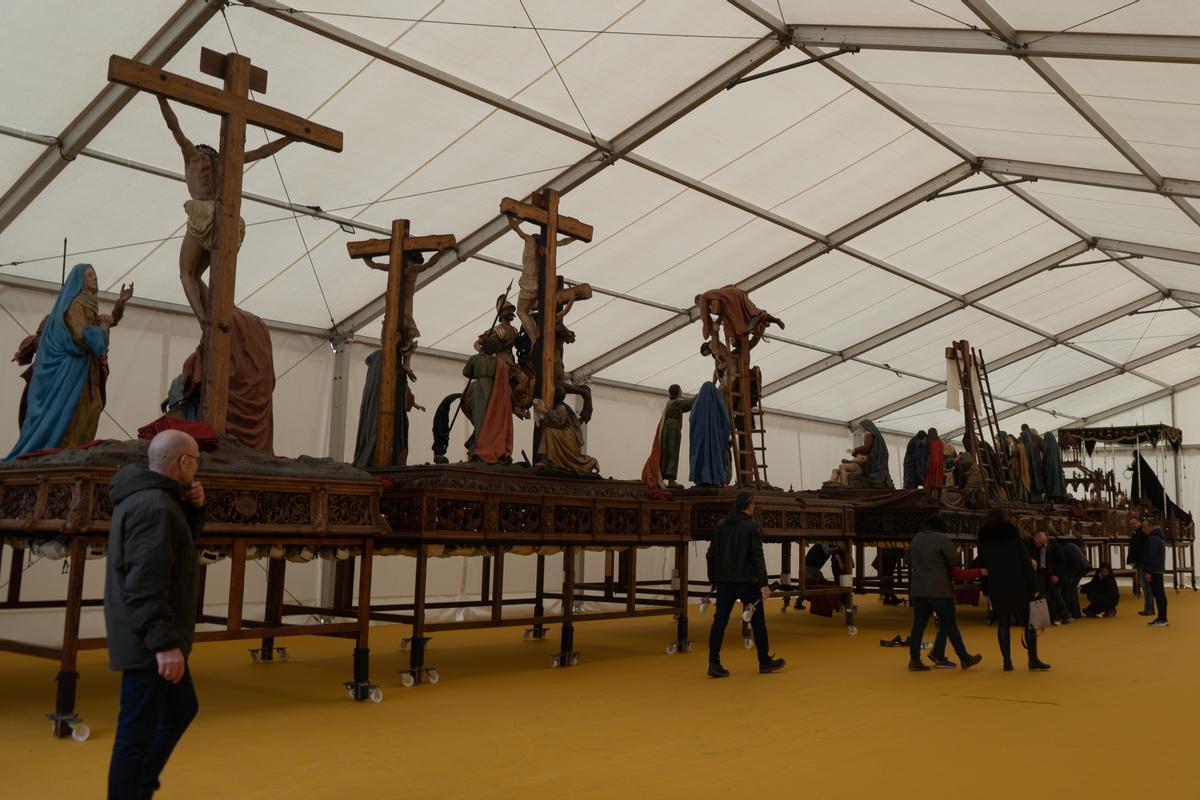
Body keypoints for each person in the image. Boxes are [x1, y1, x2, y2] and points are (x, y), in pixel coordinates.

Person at [105, 429, 206, 798]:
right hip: (148, 640)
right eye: (195, 460)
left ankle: (140, 785)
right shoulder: (156, 508)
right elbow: (145, 583)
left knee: (181, 709)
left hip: (150, 632)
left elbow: (176, 550)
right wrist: (164, 644)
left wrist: (195, 509)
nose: (197, 468)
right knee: (135, 732)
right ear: (182, 462)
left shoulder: (150, 498)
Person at [159, 98, 292, 326]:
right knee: (202, 276)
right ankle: (217, 312)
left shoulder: (193, 156)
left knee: (186, 274)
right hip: (225, 217)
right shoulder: (225, 162)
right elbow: (262, 152)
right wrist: (291, 138)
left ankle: (203, 319)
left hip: (203, 213)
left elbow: (174, 126)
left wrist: (160, 97)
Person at [5, 264, 132, 460]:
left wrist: (120, 304)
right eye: (90, 275)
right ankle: (63, 455)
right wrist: (103, 329)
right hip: (68, 372)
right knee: (66, 413)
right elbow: (83, 337)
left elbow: (102, 322)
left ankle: (70, 453)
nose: (94, 278)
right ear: (79, 281)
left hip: (80, 370)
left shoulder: (86, 304)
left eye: (95, 275)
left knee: (88, 408)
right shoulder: (77, 305)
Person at [705, 492, 784, 677]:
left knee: (719, 623)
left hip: (724, 581)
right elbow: (757, 557)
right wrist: (764, 584)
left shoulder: (721, 525)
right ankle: (764, 661)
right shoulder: (752, 526)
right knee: (758, 622)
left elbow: (711, 554)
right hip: (748, 582)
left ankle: (713, 663)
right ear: (750, 506)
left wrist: (714, 579)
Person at [904, 513, 983, 671]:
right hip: (939, 590)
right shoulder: (942, 539)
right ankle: (964, 658)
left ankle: (915, 660)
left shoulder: (916, 539)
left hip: (919, 590)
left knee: (918, 626)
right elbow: (955, 560)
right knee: (950, 624)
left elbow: (907, 560)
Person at [977, 509, 1051, 671]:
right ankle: (1033, 659)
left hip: (997, 584)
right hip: (1017, 584)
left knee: (1003, 624)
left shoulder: (983, 538)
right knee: (1028, 623)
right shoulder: (1012, 535)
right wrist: (1034, 586)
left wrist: (986, 588)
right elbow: (1025, 562)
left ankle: (1007, 662)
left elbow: (982, 563)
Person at [642, 384, 694, 489]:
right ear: (678, 392)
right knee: (672, 453)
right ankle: (671, 480)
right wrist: (697, 397)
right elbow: (689, 404)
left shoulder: (669, 402)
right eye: (681, 390)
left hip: (668, 429)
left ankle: (666, 477)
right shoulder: (675, 403)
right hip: (672, 429)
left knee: (667, 453)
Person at [1142, 518, 1169, 628]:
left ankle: (1162, 618)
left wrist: (1148, 572)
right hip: (1158, 570)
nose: (1143, 530)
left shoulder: (1153, 539)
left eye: (1144, 527)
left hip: (1154, 570)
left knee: (1158, 595)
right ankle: (1162, 617)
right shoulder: (1159, 538)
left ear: (1151, 526)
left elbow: (1152, 556)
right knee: (1160, 594)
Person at [1128, 517, 1155, 616]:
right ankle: (1149, 608)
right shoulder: (1138, 533)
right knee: (1145, 586)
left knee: (1146, 586)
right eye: (1131, 524)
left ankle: (1149, 609)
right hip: (1140, 562)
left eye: (1134, 523)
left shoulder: (1142, 534)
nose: (1132, 526)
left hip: (1144, 563)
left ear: (1140, 523)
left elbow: (1140, 549)